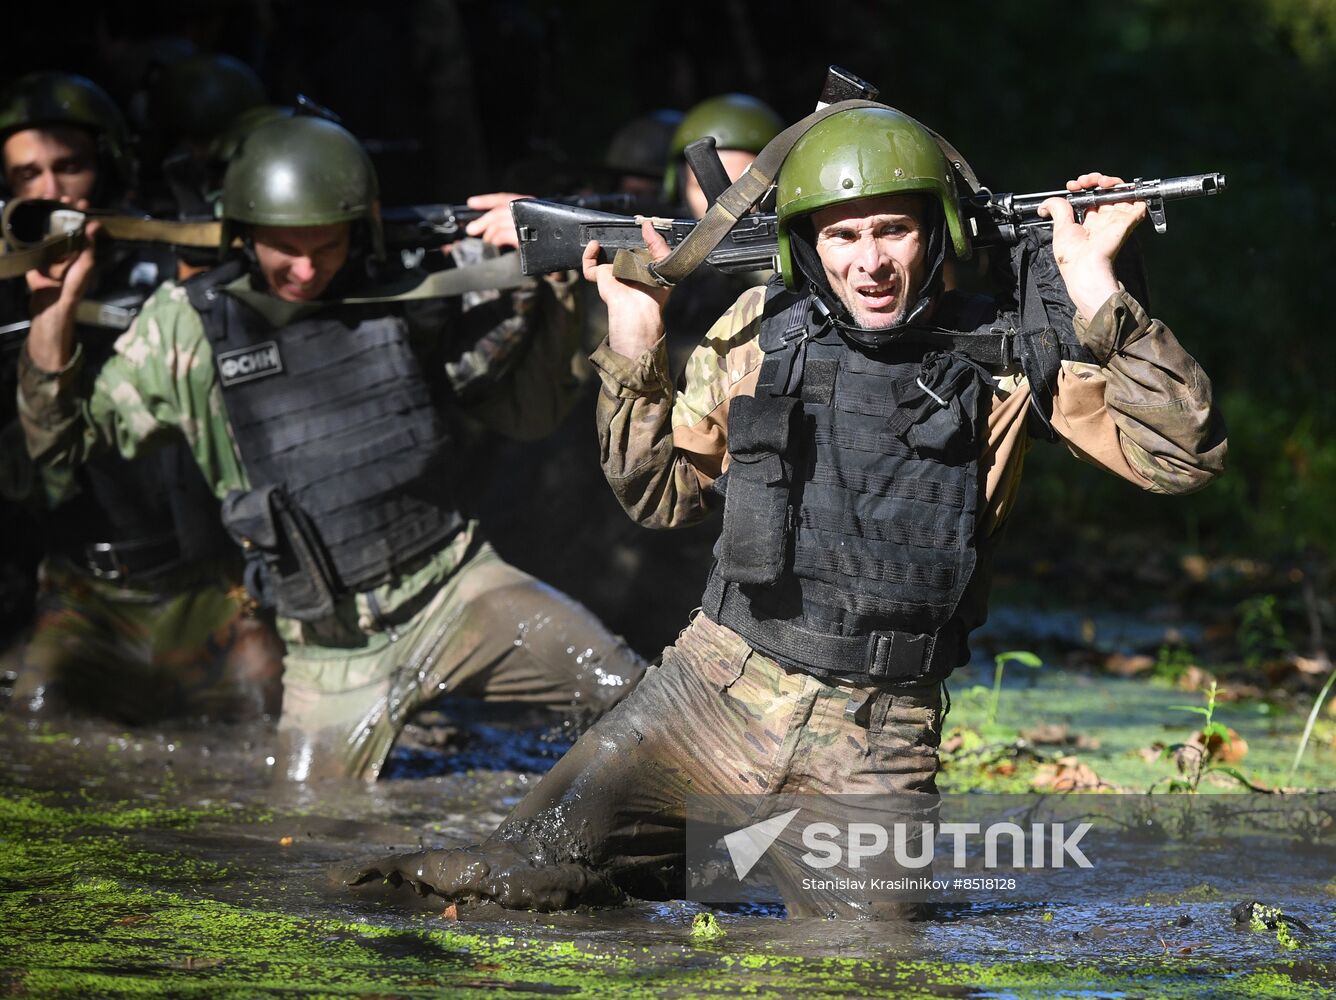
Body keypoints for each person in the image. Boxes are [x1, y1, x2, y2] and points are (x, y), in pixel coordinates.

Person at [345, 105, 1226, 916]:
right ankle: (703, 859)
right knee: (508, 878)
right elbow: (658, 496)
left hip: (873, 744)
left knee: (863, 967)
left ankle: (717, 861)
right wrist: (634, 341)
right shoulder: (759, 333)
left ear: (935, 232)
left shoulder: (1004, 359)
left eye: (893, 230)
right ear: (808, 243)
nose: (869, 261)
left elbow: (1181, 458)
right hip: (701, 702)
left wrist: (1098, 292)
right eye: (843, 235)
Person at [17, 113, 646, 780]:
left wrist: (540, 249)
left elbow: (526, 408)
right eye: (285, 247)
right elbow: (61, 443)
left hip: (457, 590)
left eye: (327, 246)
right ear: (244, 233)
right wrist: (53, 312)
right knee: (311, 837)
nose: (307, 267)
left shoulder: (406, 285)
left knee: (636, 698)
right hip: (330, 652)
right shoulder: (186, 327)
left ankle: (692, 855)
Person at [0, 70, 284, 723]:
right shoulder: (10, 288)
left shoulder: (172, 261)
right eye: (26, 176)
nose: (50, 192)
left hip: (208, 584)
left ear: (110, 163)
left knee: (268, 728)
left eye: (69, 167)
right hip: (82, 591)